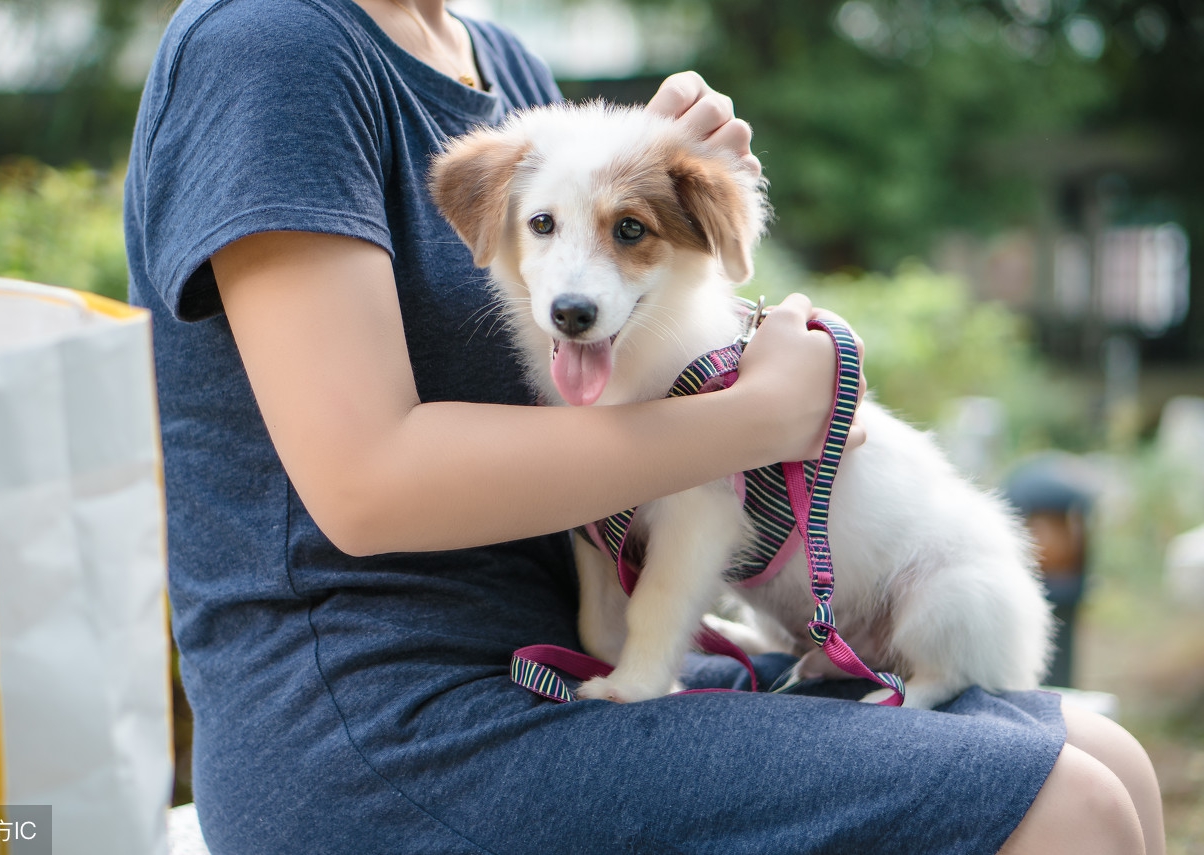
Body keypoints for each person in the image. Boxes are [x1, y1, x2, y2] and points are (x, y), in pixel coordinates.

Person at [124, 1, 1165, 852]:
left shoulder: (502, 64)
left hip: (563, 652)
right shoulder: (269, 47)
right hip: (383, 718)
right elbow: (364, 484)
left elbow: (624, 360)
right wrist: (758, 419)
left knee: (1107, 762)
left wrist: (696, 222)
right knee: (1064, 809)